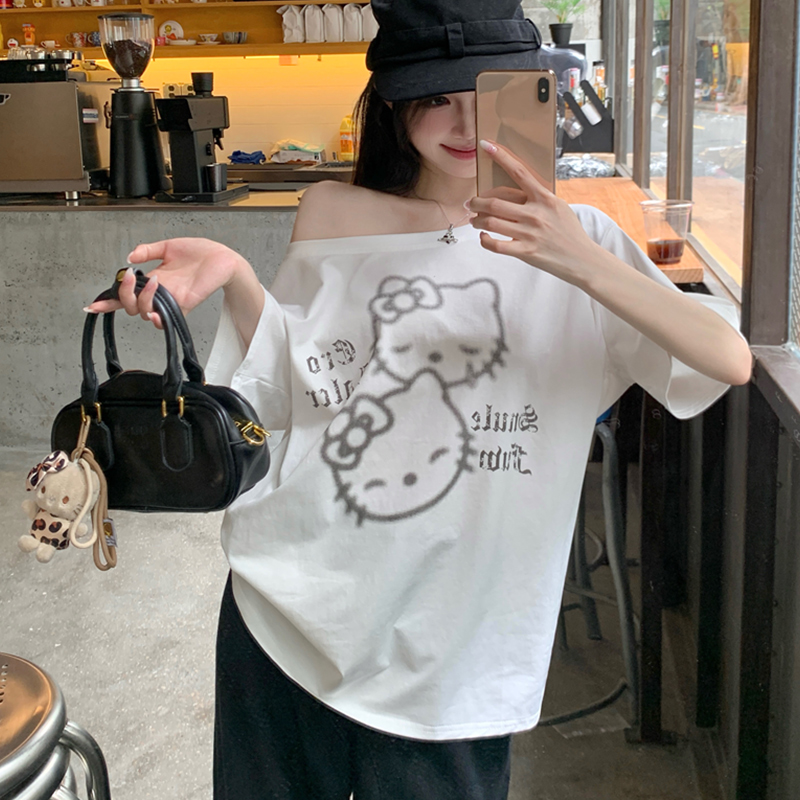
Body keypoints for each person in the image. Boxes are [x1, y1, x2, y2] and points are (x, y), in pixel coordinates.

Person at [86, 2, 752, 798]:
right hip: (294, 601)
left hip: (455, 645)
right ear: (395, 105)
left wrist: (577, 257)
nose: (464, 123)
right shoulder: (335, 212)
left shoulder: (582, 240)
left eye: (486, 92)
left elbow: (728, 358)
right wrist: (239, 278)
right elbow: (305, 383)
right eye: (435, 96)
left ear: (532, 92)